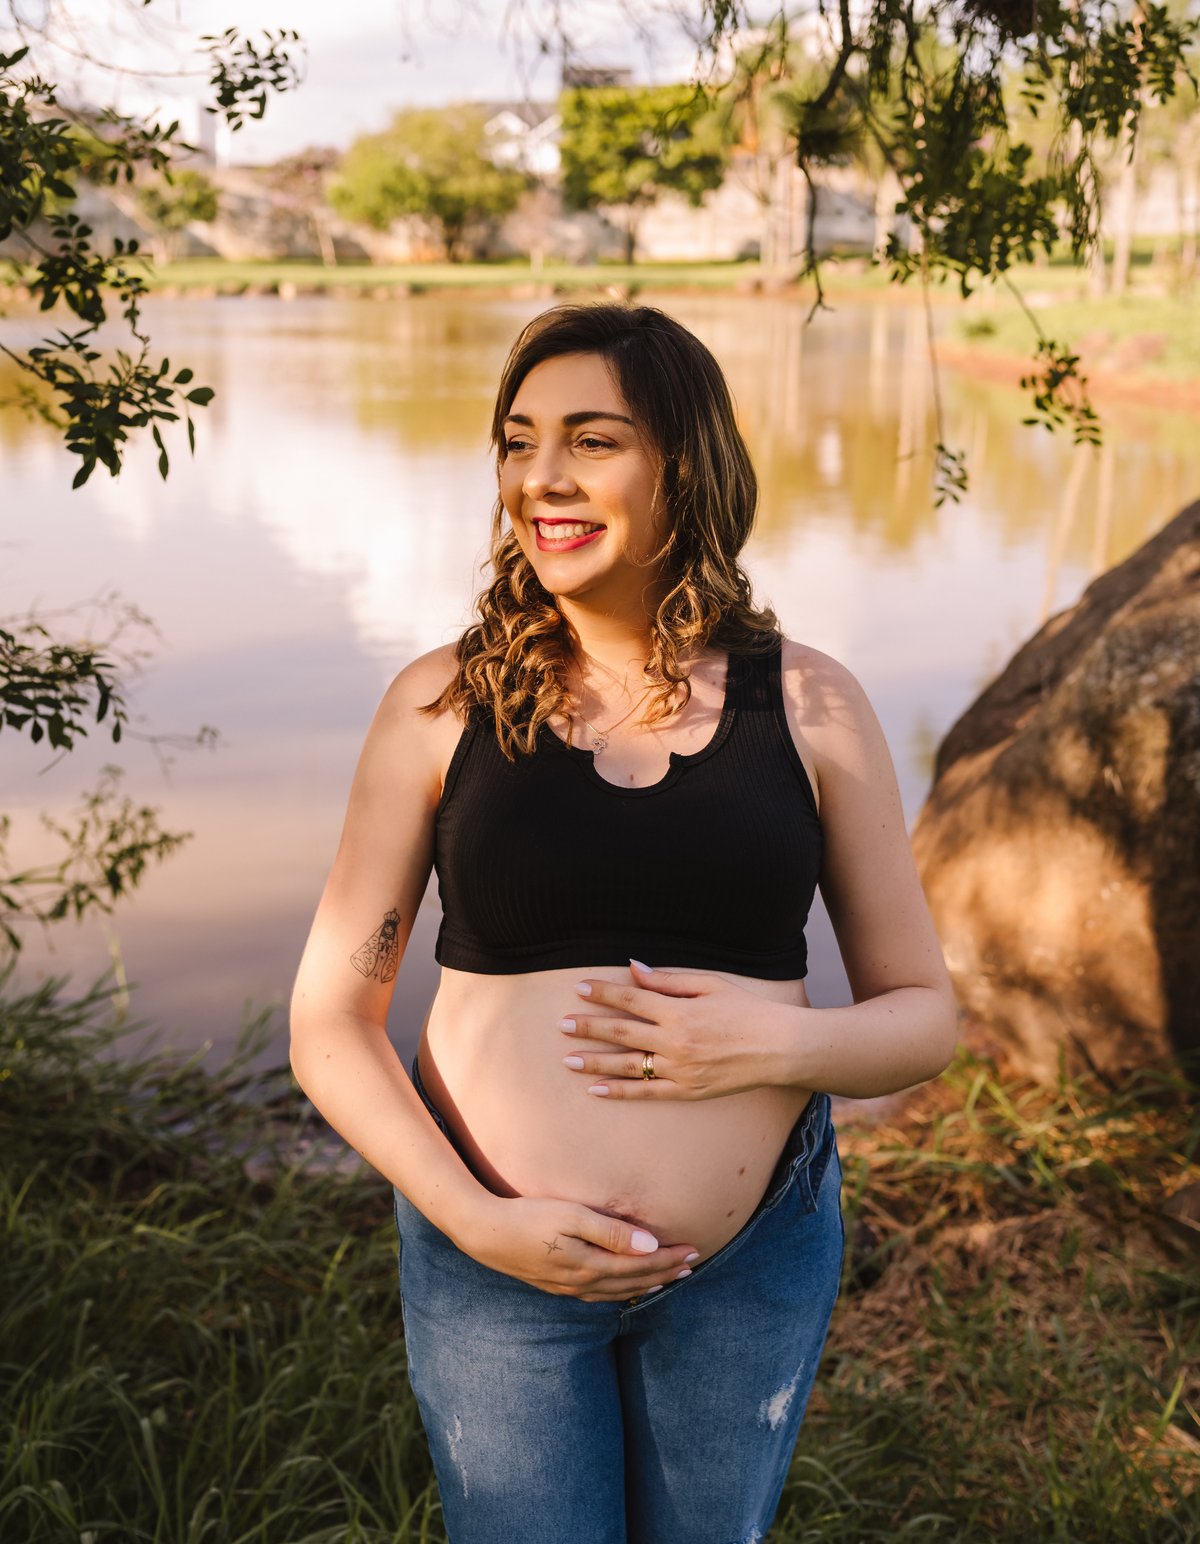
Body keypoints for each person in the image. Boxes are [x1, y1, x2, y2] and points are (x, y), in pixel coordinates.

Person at [290, 302, 956, 1544]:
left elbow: (923, 1016)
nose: (542, 476)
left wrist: (770, 1049)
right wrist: (478, 1217)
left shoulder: (807, 703)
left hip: (746, 1268)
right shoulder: (441, 702)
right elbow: (330, 1017)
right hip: (496, 1263)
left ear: (685, 464)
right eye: (517, 439)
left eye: (592, 440)